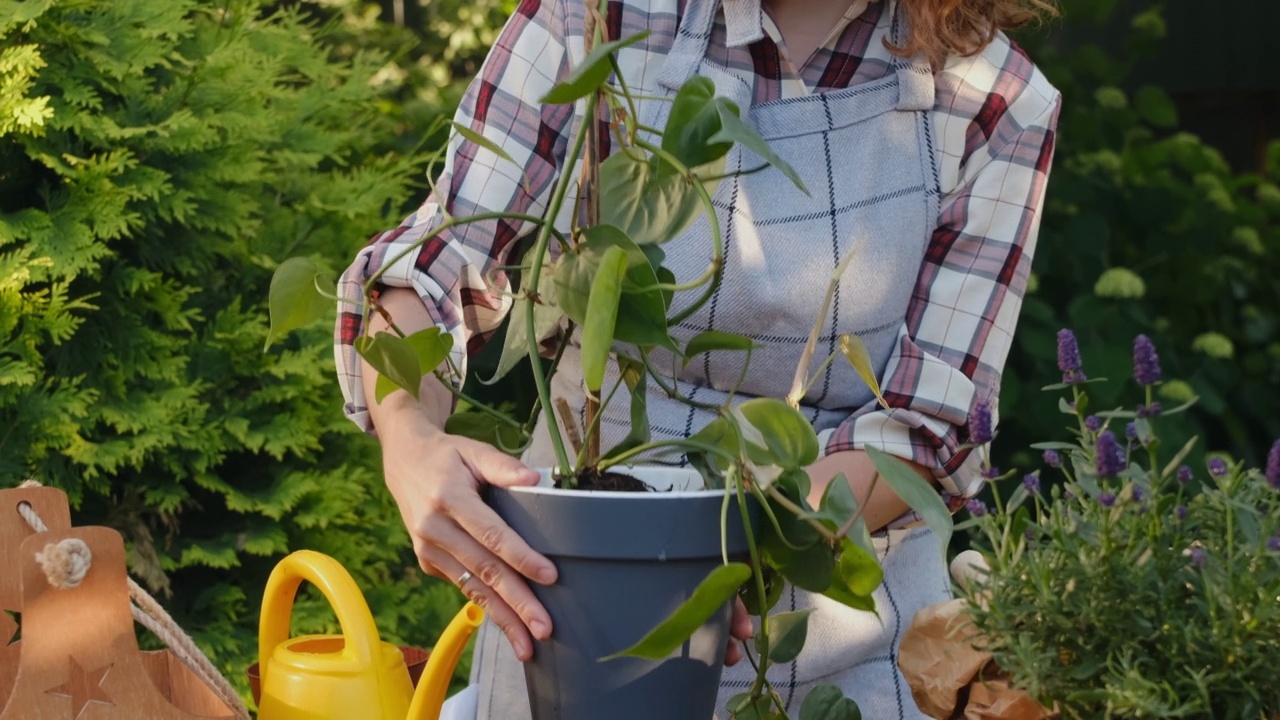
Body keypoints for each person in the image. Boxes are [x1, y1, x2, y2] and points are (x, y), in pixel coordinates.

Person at [334, 0, 1061, 716]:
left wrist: (720, 543)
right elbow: (436, 268)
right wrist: (409, 435)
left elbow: (926, 423)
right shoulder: (596, 16)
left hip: (834, 612)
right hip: (569, 600)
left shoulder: (995, 99)